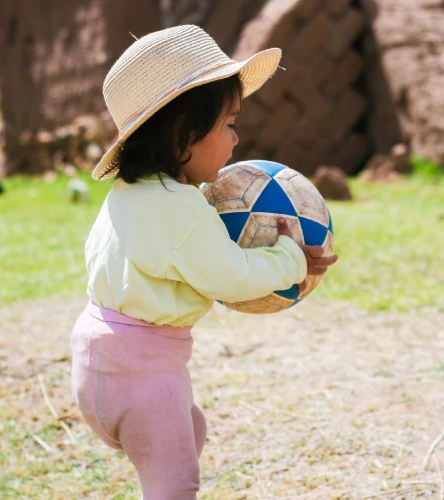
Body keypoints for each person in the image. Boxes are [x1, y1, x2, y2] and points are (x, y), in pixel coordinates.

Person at [69, 25, 339, 499]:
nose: (237, 139)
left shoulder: (130, 194)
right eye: (229, 123)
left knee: (190, 431)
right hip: (144, 376)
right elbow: (232, 277)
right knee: (176, 485)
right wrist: (291, 258)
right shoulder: (180, 208)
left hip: (97, 364)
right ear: (183, 133)